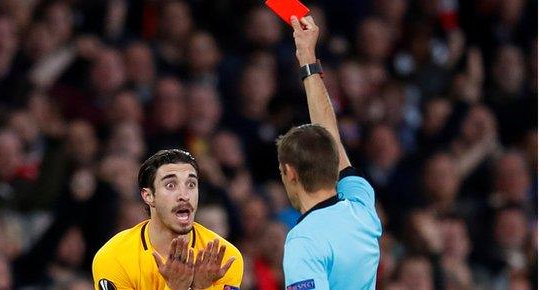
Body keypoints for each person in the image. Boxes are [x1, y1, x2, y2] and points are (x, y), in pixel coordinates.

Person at [275, 15, 382, 289]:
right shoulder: (362, 208)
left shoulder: (304, 241)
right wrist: (307, 57)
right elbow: (330, 135)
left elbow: (330, 138)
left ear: (290, 172)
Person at [92, 149, 244, 290]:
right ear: (148, 196)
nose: (184, 195)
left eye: (191, 184)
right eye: (171, 185)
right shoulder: (114, 257)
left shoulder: (224, 258)